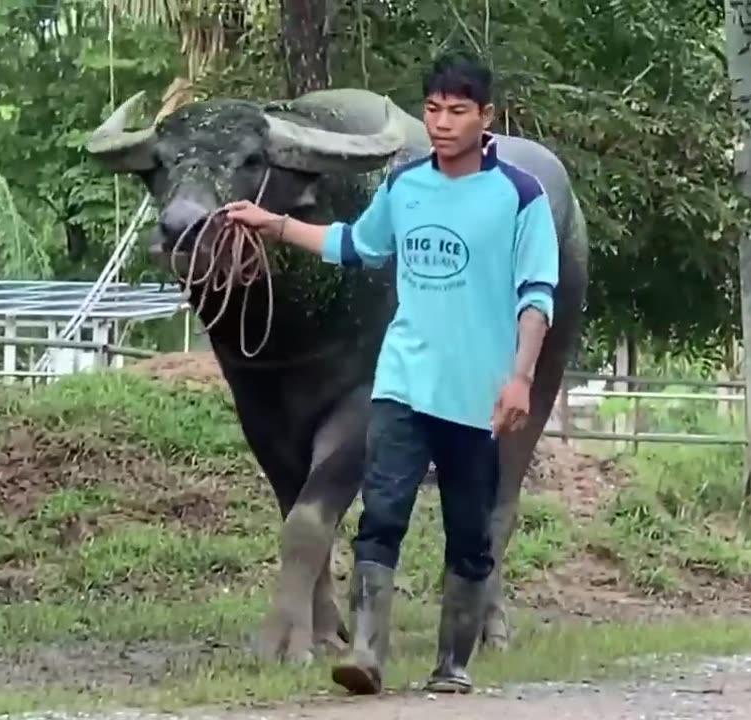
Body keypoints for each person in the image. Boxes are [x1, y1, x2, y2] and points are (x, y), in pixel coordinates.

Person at [223, 51, 559, 696]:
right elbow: (354, 244)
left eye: (457, 111)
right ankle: (367, 653)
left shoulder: (520, 196)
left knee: (468, 528)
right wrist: (275, 225)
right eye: (432, 110)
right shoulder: (405, 187)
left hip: (477, 391)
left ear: (485, 117)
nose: (441, 123)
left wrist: (520, 376)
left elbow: (537, 294)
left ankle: (452, 665)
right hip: (403, 381)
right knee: (381, 513)